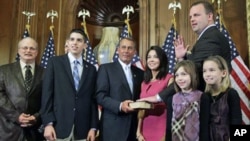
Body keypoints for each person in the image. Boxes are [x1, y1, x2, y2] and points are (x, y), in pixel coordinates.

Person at [40, 28, 98, 141]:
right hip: (58, 127)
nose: (75, 43)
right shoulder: (55, 62)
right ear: (67, 42)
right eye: (72, 39)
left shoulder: (91, 69)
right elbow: (47, 95)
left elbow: (93, 100)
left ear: (85, 45)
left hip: (83, 130)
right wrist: (48, 124)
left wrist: (93, 127)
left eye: (79, 40)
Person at [174, 0, 231, 91]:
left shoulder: (211, 37)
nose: (192, 19)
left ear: (209, 16)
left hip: (210, 99)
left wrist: (159, 96)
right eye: (190, 17)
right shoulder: (206, 37)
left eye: (196, 15)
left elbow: (193, 70)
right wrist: (181, 58)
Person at [95, 37, 144, 141]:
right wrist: (120, 106)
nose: (126, 51)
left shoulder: (140, 73)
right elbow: (100, 96)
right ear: (118, 50)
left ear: (134, 52)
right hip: (112, 128)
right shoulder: (106, 69)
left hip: (133, 128)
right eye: (123, 47)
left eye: (130, 48)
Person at [0, 37, 44, 141]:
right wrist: (16, 116)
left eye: (32, 48)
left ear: (37, 52)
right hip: (8, 130)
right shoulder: (3, 70)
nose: (28, 51)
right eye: (25, 48)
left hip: (34, 131)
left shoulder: (46, 73)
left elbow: (50, 99)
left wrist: (37, 117)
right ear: (19, 51)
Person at [136, 46, 173, 141]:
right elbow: (141, 109)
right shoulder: (144, 83)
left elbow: (172, 108)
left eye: (155, 57)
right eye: (149, 57)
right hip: (145, 129)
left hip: (162, 127)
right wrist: (138, 131)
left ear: (162, 59)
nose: (151, 60)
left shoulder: (169, 79)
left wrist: (166, 134)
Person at [167, 60, 210, 141]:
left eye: (183, 74)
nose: (179, 78)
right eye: (177, 75)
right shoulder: (171, 99)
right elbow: (168, 129)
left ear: (193, 75)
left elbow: (204, 128)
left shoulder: (202, 97)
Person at [203, 55, 242, 141]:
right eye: (204, 71)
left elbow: (237, 121)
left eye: (212, 70)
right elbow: (203, 126)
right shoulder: (205, 96)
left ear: (223, 73)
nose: (207, 74)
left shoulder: (231, 94)